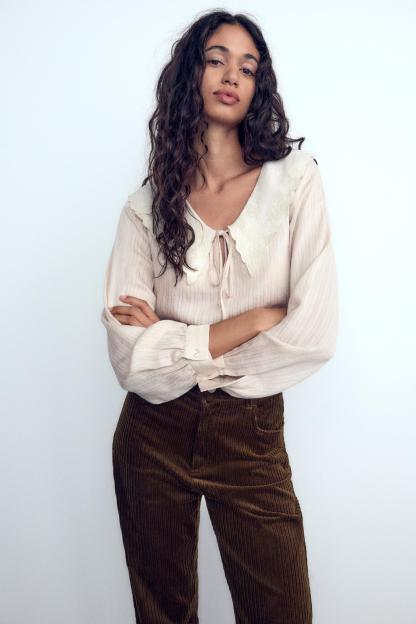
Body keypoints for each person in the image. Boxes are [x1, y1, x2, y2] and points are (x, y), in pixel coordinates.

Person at [100, 9, 339, 624]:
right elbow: (131, 359)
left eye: (248, 67)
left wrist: (170, 340)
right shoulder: (146, 207)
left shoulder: (294, 183)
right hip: (151, 434)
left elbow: (312, 333)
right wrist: (253, 319)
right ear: (192, 74)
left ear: (259, 87)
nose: (232, 75)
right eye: (216, 60)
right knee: (163, 613)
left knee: (281, 611)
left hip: (250, 433)